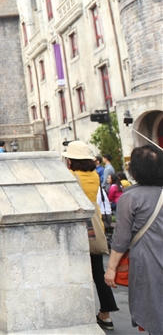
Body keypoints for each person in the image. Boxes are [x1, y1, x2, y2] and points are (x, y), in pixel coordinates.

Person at [104, 145, 163, 335]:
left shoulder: (130, 198)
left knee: (155, 311)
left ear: (135, 170)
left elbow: (121, 239)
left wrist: (111, 268)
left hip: (148, 262)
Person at [62, 140, 118, 330]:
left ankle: (78, 312)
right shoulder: (94, 176)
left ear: (71, 160)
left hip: (78, 229)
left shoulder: (70, 176)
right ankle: (106, 313)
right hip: (95, 227)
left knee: (74, 271)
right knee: (98, 271)